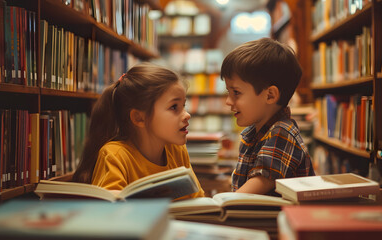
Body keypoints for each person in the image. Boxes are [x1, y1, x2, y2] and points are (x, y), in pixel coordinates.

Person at [72, 63, 204, 199]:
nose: (187, 115)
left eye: (184, 105)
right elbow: (110, 210)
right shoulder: (115, 156)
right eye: (174, 107)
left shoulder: (177, 151)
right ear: (139, 118)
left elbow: (198, 201)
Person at [221, 38, 315, 196]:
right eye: (228, 92)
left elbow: (259, 183)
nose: (228, 101)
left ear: (270, 95)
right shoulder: (253, 133)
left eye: (236, 92)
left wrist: (220, 204)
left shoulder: (282, 132)